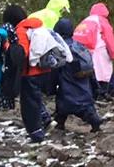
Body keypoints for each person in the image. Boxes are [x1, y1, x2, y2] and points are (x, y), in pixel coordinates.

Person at [4, 13, 69, 143]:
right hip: (43, 71)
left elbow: (23, 53)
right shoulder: (37, 27)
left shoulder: (21, 31)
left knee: (29, 105)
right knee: (36, 98)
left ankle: (36, 134)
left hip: (29, 73)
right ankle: (45, 121)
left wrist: (7, 48)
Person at [50, 18, 102, 133]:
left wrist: (51, 87)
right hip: (84, 89)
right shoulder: (80, 46)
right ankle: (94, 121)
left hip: (67, 88)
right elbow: (91, 69)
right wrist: (96, 88)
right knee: (86, 109)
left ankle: (60, 123)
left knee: (62, 106)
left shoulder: (60, 49)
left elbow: (55, 70)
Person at [74, 3, 114, 102]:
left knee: (90, 71)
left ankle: (89, 93)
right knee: (103, 71)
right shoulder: (102, 21)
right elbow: (109, 39)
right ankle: (101, 93)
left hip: (82, 50)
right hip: (97, 49)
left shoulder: (86, 20)